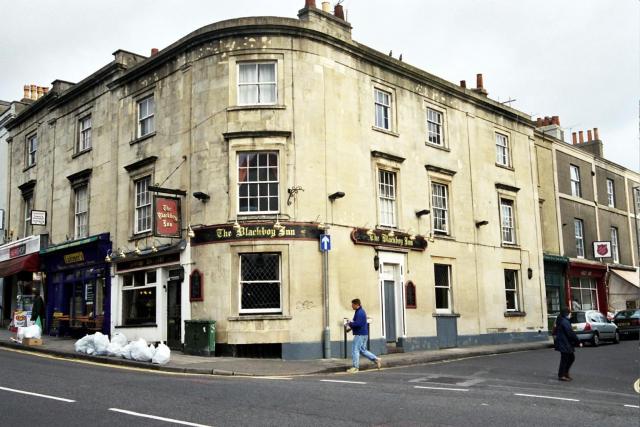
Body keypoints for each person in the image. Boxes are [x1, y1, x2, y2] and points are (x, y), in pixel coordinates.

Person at [346, 298, 381, 373]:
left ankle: (355, 367)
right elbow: (357, 323)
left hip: (360, 335)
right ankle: (376, 359)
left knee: (355, 350)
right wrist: (350, 327)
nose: (351, 306)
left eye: (352, 305)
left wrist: (349, 323)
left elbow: (358, 324)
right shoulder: (359, 311)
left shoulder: (360, 313)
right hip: (364, 334)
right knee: (362, 350)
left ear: (356, 305)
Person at [554, 307, 582, 381]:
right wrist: (578, 342)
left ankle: (565, 373)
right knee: (566, 359)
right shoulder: (565, 322)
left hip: (564, 342)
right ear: (567, 314)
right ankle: (562, 375)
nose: (571, 315)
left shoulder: (562, 320)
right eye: (570, 313)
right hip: (564, 343)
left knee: (570, 358)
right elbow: (570, 333)